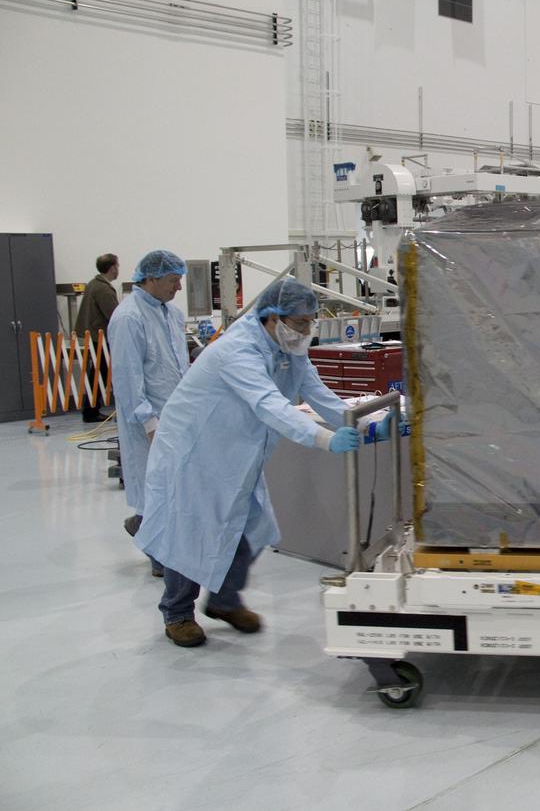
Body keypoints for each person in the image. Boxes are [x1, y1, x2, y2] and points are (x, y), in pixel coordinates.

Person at [134, 278, 363, 647]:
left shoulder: (288, 346)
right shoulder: (237, 350)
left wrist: (364, 423)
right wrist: (323, 438)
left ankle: (224, 601)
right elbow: (268, 403)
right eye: (299, 323)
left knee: (248, 526)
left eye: (310, 322)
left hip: (235, 452)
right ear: (272, 317)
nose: (305, 331)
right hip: (195, 453)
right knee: (191, 532)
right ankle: (177, 613)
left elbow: (316, 391)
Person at [108, 251, 190, 577]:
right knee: (154, 487)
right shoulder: (129, 318)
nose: (179, 287)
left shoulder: (172, 314)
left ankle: (142, 525)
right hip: (148, 422)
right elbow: (128, 380)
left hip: (176, 416)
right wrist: (150, 424)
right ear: (151, 279)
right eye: (173, 280)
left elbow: (179, 368)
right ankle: (158, 553)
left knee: (174, 486)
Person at [73, 253, 120, 422]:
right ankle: (91, 411)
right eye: (117, 266)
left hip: (93, 336)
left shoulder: (94, 284)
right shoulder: (103, 289)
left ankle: (91, 409)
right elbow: (115, 315)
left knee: (97, 373)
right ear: (112, 267)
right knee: (100, 374)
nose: (118, 269)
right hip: (100, 337)